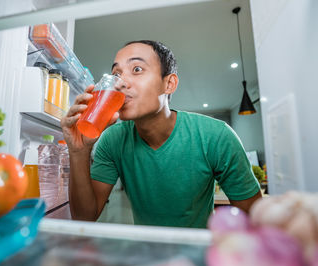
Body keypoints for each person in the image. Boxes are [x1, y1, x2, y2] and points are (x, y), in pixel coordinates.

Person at [61, 40, 262, 228]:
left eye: (137, 69)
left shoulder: (216, 136)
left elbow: (255, 220)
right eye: (117, 74)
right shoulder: (113, 139)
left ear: (169, 84)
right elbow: (84, 217)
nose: (120, 83)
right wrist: (79, 151)